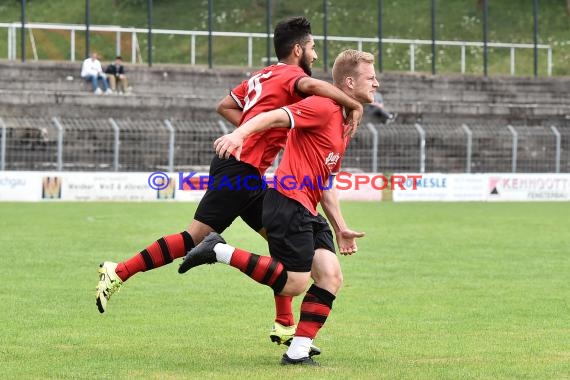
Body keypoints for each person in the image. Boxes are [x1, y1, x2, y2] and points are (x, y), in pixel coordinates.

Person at [95, 17, 363, 354]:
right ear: (298, 50)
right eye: (311, 48)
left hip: (247, 172)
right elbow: (315, 88)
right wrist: (352, 104)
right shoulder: (296, 77)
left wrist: (252, 130)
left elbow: (224, 106)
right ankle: (117, 271)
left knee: (281, 244)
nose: (314, 56)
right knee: (193, 238)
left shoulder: (262, 76)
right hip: (239, 169)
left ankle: (284, 323)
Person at [179, 49, 377, 365]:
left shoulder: (343, 120)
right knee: (296, 282)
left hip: (306, 209)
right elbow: (274, 116)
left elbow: (325, 182)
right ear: (350, 82)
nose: (376, 83)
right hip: (287, 204)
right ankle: (218, 251)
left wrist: (340, 227)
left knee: (330, 275)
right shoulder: (322, 106)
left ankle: (297, 352)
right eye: (371, 77)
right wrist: (239, 134)